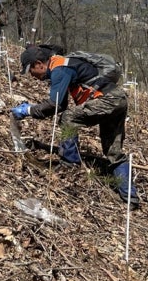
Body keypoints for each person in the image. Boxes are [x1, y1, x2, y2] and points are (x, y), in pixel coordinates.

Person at [11, 45, 139, 207]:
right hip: (118, 100)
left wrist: (28, 110)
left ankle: (69, 163)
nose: (31, 75)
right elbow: (62, 103)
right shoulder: (63, 65)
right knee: (112, 151)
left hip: (107, 100)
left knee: (68, 118)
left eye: (30, 70)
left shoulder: (59, 69)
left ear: (39, 64)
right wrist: (35, 110)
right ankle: (130, 196)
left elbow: (55, 104)